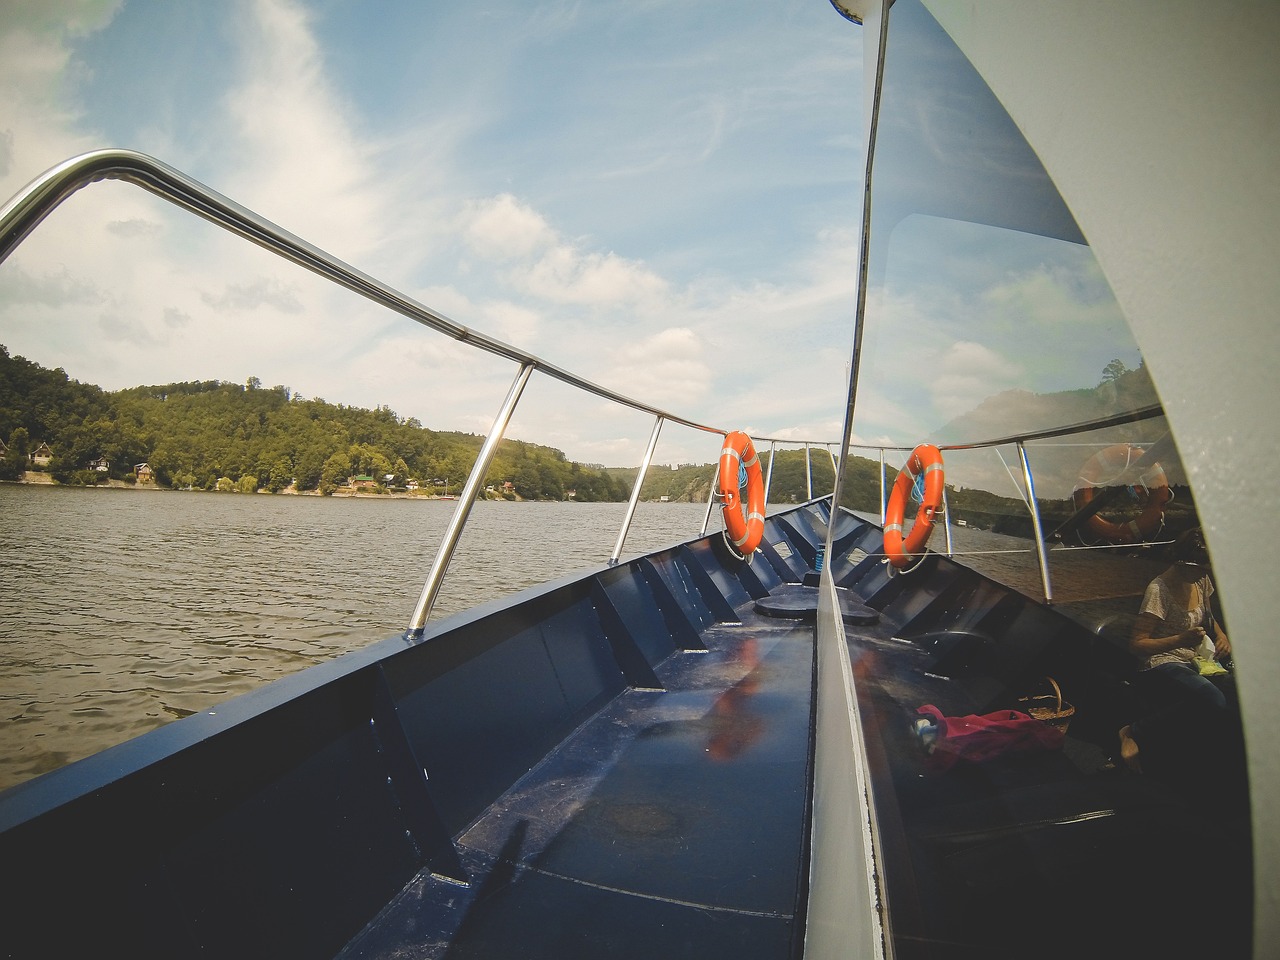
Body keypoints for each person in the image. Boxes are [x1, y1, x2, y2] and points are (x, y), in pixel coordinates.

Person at [1117, 527, 1237, 777]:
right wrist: (1179, 640)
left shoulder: (1200, 580)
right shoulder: (1158, 590)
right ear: (1183, 563)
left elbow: (1208, 616)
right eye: (1201, 568)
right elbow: (1137, 643)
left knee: (1236, 693)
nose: (1205, 573)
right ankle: (1133, 731)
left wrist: (1222, 636)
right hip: (1161, 661)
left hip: (1193, 657)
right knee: (1212, 698)